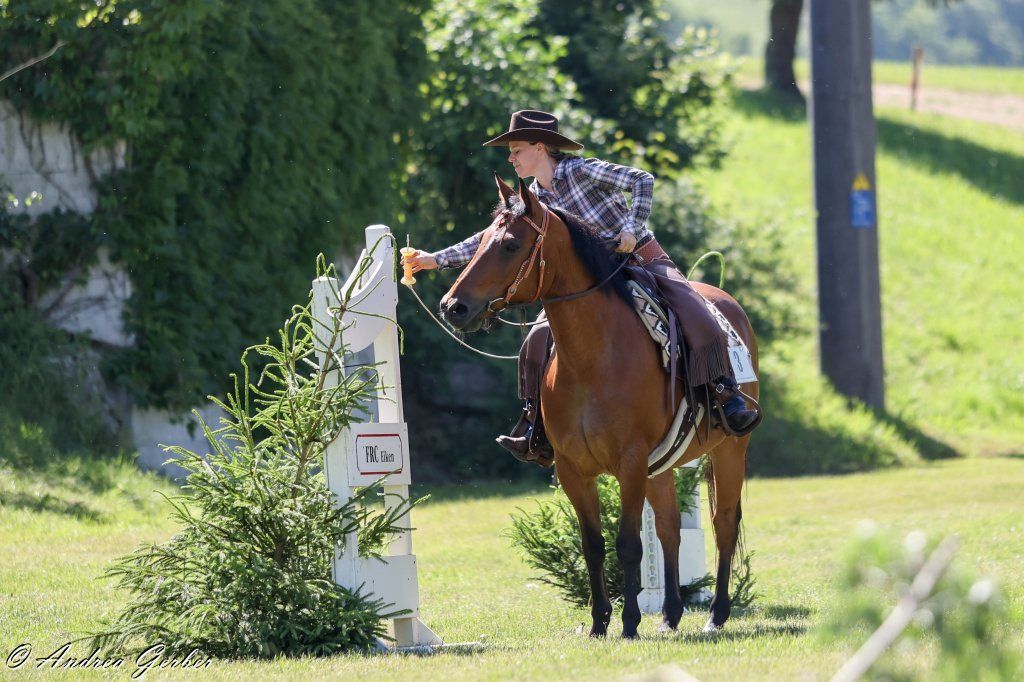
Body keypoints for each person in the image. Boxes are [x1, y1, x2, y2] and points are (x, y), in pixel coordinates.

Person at [404, 110, 759, 463]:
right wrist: (434, 259)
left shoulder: (581, 170)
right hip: (587, 280)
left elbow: (642, 180)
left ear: (540, 148)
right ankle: (533, 424)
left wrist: (632, 228)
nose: (510, 158)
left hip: (639, 259)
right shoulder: (530, 200)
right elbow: (493, 239)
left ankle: (724, 393)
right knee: (536, 339)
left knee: (690, 308)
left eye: (516, 149)